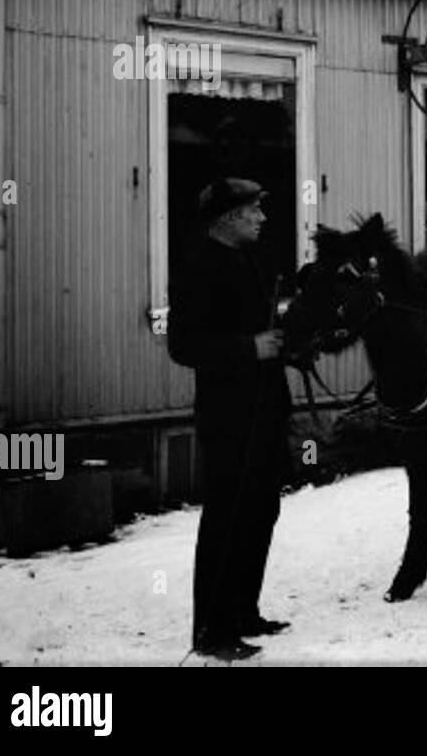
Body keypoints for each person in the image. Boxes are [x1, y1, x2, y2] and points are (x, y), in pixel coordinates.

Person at [167, 177, 293, 659]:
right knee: (227, 517)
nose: (262, 219)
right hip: (229, 417)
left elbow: (258, 325)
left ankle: (243, 611)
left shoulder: (249, 261)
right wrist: (248, 348)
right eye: (253, 211)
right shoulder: (199, 267)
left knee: (262, 509)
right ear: (228, 218)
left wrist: (284, 340)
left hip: (265, 410)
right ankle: (211, 633)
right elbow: (183, 344)